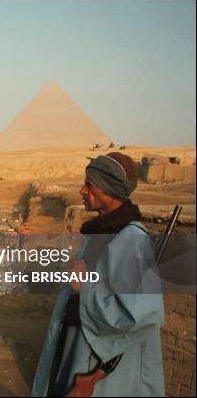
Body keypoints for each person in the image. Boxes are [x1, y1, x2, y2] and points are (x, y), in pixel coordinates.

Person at [31, 152, 165, 397]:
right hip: (79, 349)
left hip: (106, 369)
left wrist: (85, 287)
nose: (82, 191)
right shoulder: (99, 232)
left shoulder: (131, 240)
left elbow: (141, 316)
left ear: (109, 190)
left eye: (89, 185)